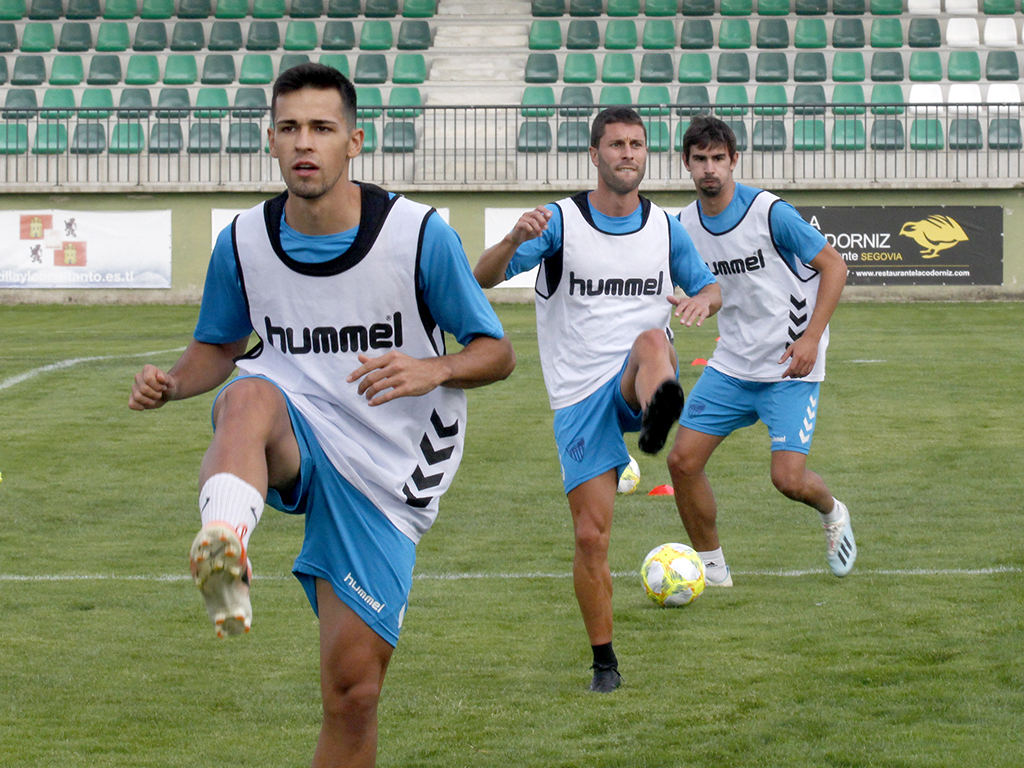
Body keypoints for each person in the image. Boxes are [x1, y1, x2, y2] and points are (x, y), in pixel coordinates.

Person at [128, 63, 515, 768]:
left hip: (389, 469)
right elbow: (218, 346)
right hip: (295, 423)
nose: (305, 142)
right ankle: (224, 546)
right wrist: (173, 382)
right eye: (290, 128)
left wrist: (434, 367)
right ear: (271, 141)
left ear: (354, 142)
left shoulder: (418, 235)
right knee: (246, 396)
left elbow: (497, 351)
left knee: (353, 693)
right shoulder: (242, 241)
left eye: (322, 128)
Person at [474, 107, 721, 693]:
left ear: (645, 154)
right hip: (580, 393)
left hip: (638, 373)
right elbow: (481, 277)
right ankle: (604, 664)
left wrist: (700, 303)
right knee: (591, 536)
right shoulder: (560, 222)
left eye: (637, 144)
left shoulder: (664, 227)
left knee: (651, 340)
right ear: (595, 154)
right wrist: (513, 237)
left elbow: (708, 285)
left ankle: (657, 419)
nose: (628, 154)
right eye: (616, 145)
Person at [667, 115, 855, 588]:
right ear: (686, 164)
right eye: (699, 160)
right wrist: (697, 302)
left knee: (788, 480)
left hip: (790, 363)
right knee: (682, 463)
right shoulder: (682, 225)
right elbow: (711, 293)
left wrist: (811, 338)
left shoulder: (770, 213)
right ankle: (712, 569)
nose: (709, 168)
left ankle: (833, 512)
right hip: (732, 363)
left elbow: (834, 266)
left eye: (717, 158)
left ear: (734, 160)